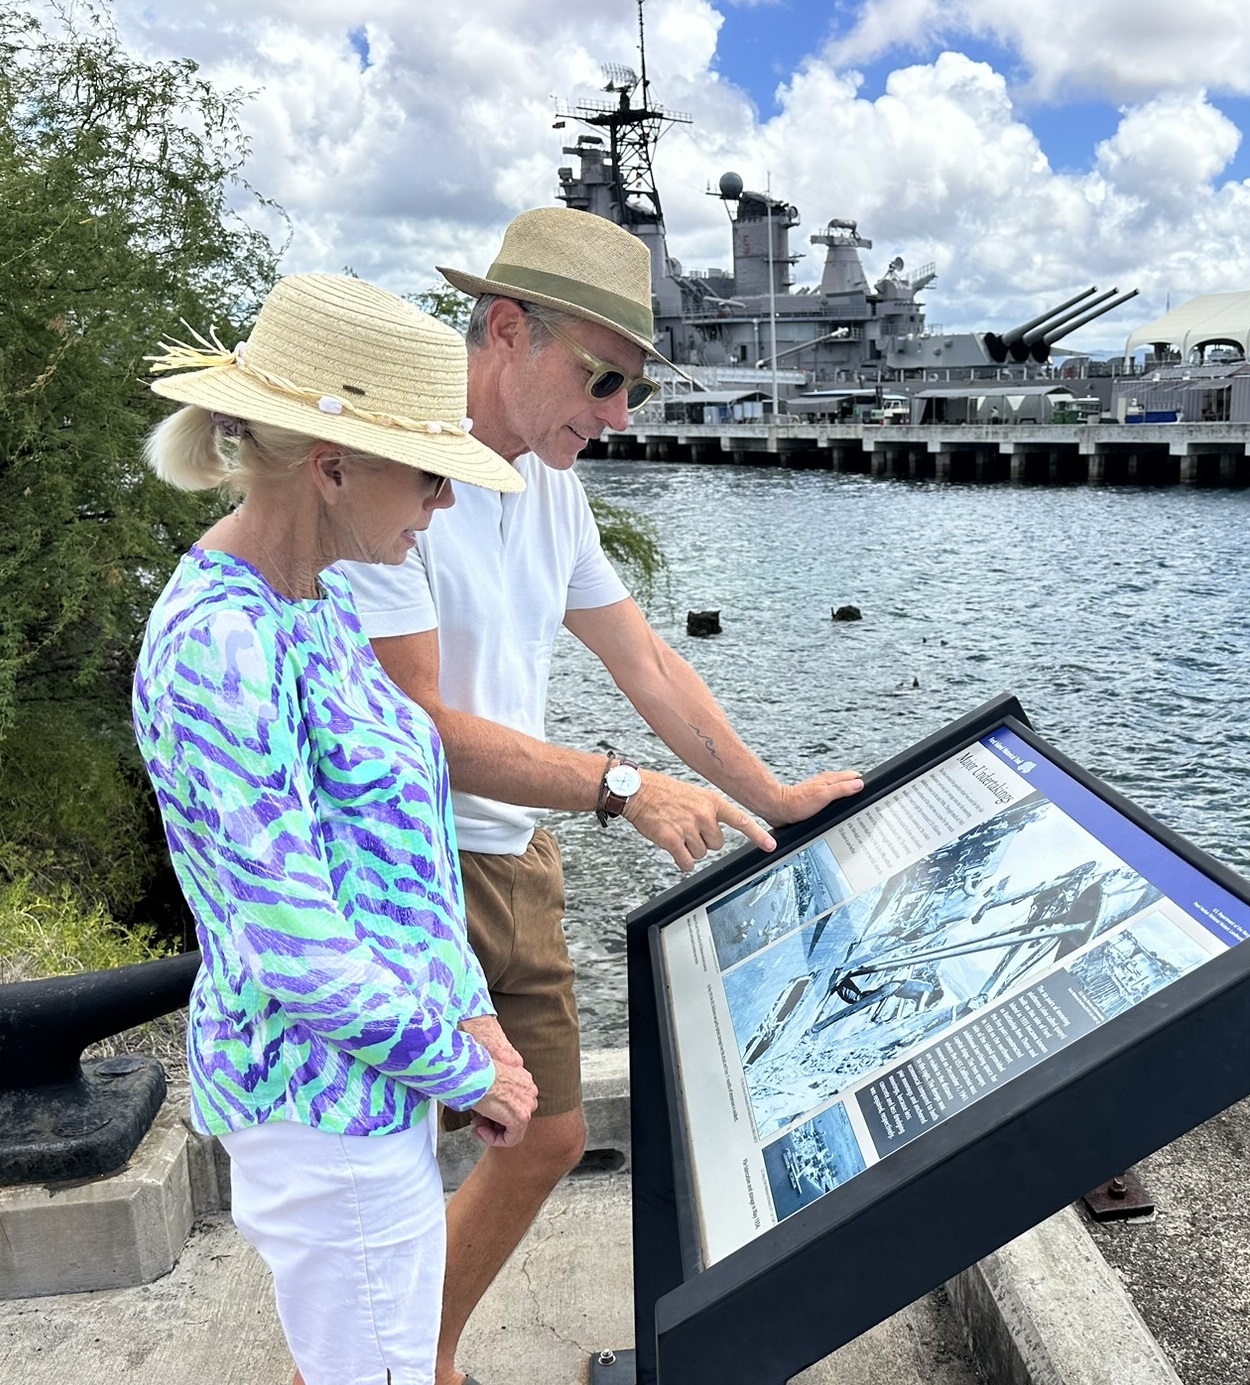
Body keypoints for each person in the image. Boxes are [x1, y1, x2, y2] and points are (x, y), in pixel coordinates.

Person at [339, 206, 865, 1385]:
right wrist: (620, 786)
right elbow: (411, 723)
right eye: (604, 377)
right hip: (393, 863)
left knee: (547, 1135)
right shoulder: (395, 469)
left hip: (511, 854)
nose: (621, 413)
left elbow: (649, 663)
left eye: (630, 385)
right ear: (508, 330)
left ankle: (417, 1353)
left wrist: (772, 797)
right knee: (375, 1174)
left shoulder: (547, 481)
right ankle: (375, 1363)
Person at [133, 273, 540, 1385]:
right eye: (429, 474)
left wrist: (472, 1016)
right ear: (332, 466)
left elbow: (397, 858)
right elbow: (296, 947)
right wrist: (469, 1068)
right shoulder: (221, 646)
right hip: (321, 1114)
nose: (443, 503)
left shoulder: (313, 604)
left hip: (371, 1090)